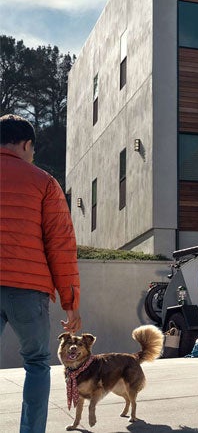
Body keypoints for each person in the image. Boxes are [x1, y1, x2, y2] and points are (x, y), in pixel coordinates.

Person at [0, 114, 82, 433]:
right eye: (32, 150)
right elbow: (60, 246)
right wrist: (71, 303)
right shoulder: (44, 182)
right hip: (28, 290)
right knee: (36, 363)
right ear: (26, 144)